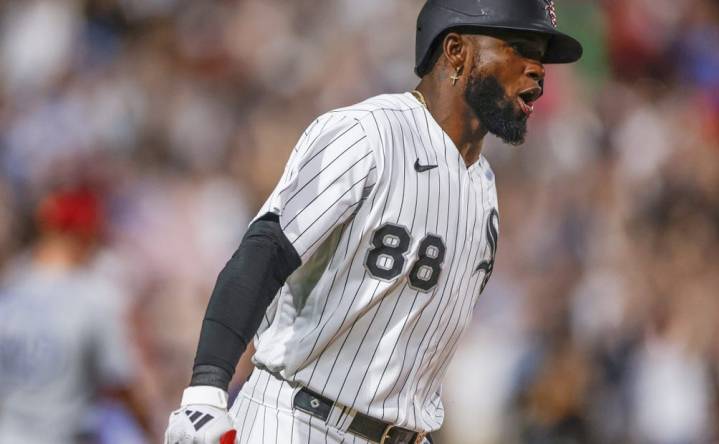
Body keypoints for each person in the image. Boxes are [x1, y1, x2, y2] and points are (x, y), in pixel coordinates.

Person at [164, 0, 583, 442]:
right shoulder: (368, 134)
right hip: (298, 420)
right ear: (456, 50)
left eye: (541, 55)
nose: (537, 69)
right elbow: (265, 249)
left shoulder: (484, 190)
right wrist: (206, 389)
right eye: (519, 47)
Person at [0, 186, 152, 443]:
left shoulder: (10, 285)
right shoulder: (94, 295)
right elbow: (120, 381)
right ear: (83, 234)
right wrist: (149, 427)